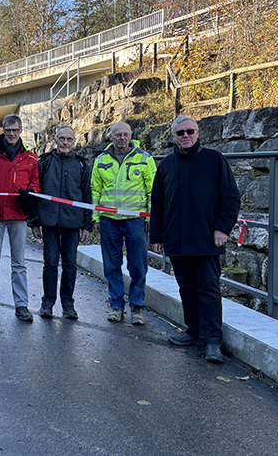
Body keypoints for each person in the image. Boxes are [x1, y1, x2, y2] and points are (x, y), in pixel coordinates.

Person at [150, 115, 241, 364]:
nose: (185, 135)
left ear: (198, 133)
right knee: (186, 288)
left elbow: (230, 197)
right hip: (176, 239)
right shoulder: (167, 165)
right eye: (180, 133)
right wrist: (156, 236)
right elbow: (157, 204)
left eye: (190, 131)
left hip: (206, 239)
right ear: (173, 137)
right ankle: (193, 331)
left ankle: (212, 341)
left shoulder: (214, 160)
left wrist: (222, 228)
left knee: (209, 290)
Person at [0, 114, 40, 322]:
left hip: (18, 215)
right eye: (8, 130)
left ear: (21, 131)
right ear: (3, 130)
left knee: (19, 263)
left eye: (15, 130)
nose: (11, 134)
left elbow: (36, 184)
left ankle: (21, 305)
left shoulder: (30, 158)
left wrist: (30, 191)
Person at [91, 121, 156, 325]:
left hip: (136, 221)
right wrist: (95, 217)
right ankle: (116, 305)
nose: (122, 138)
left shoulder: (145, 159)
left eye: (125, 134)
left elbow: (152, 191)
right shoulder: (101, 160)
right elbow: (95, 191)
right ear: (110, 137)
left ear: (131, 136)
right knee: (112, 266)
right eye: (118, 134)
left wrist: (149, 217)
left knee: (138, 265)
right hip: (109, 221)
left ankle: (137, 307)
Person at [30, 126, 92, 319]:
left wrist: (87, 225)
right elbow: (33, 193)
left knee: (70, 265)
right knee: (50, 264)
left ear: (74, 141)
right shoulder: (45, 162)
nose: (65, 143)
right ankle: (47, 302)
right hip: (48, 221)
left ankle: (68, 304)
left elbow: (87, 196)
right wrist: (33, 222)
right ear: (55, 140)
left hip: (72, 223)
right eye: (62, 139)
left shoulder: (82, 165)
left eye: (69, 139)